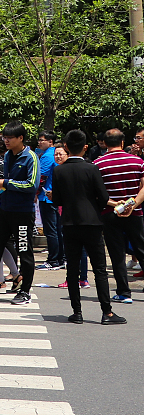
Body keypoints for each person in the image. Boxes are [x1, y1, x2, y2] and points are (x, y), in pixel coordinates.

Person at [52, 130, 123, 325]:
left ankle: (77, 312)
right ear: (85, 147)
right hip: (92, 222)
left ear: (66, 146)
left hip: (69, 222)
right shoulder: (92, 169)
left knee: (72, 269)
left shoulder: (58, 170)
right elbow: (104, 197)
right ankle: (106, 312)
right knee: (99, 269)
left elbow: (57, 199)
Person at [0, 122, 39, 306]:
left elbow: (32, 185)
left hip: (23, 213)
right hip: (4, 209)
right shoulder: (8, 155)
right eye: (4, 138)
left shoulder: (30, 157)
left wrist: (6, 183)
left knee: (24, 251)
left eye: (9, 138)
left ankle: (25, 291)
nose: (6, 141)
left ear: (21, 138)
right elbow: (6, 184)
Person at [90, 128, 144, 304]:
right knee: (141, 249)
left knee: (116, 253)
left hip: (109, 213)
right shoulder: (138, 161)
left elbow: (97, 193)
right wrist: (132, 204)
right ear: (123, 142)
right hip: (135, 212)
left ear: (104, 143)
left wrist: (116, 205)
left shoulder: (97, 164)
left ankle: (123, 292)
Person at [36, 131, 64, 271]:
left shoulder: (48, 156)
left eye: (42, 140)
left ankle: (53, 259)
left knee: (50, 230)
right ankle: (60, 258)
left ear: (50, 142)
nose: (39, 142)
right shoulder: (56, 154)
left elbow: (42, 178)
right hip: (55, 196)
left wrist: (35, 193)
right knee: (57, 229)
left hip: (47, 197)